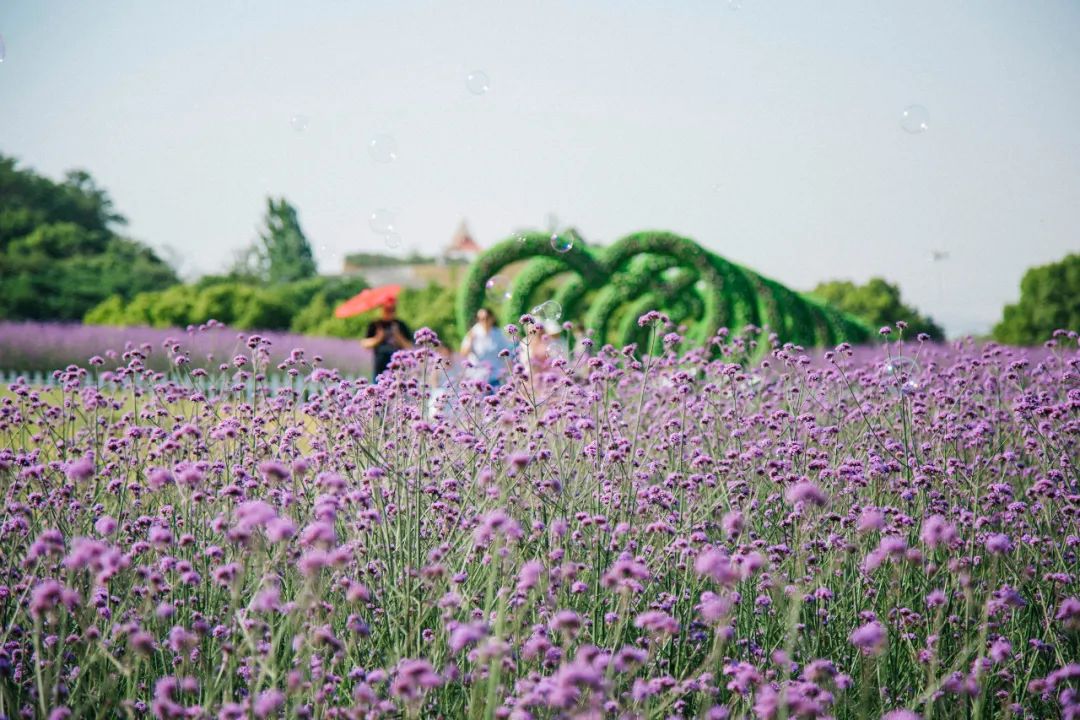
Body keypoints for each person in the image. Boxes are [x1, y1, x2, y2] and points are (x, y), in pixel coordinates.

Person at [460, 307, 513, 388]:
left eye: (486, 318)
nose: (483, 321)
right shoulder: (473, 332)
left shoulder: (498, 333)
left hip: (496, 377)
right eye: (480, 319)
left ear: (492, 318)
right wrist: (470, 340)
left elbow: (508, 355)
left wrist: (511, 376)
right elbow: (463, 354)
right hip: (477, 378)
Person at [361, 300, 412, 380]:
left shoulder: (400, 324)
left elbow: (409, 346)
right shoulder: (375, 324)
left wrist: (398, 336)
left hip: (398, 370)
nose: (390, 312)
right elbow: (364, 344)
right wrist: (378, 338)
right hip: (379, 369)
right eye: (387, 309)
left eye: (392, 309)